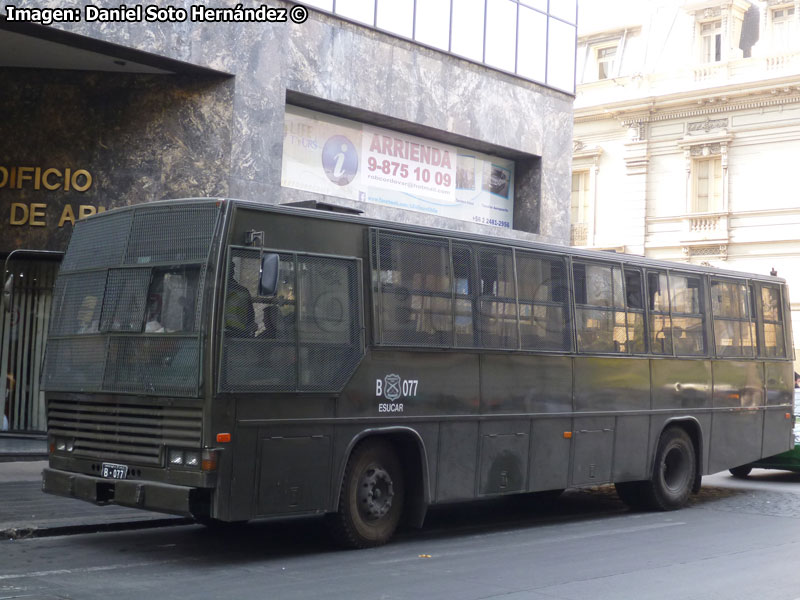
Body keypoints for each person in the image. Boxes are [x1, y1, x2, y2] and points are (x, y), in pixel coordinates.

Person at [225, 259, 256, 337]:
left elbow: (250, 317)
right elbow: (250, 317)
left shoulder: (241, 291)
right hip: (238, 335)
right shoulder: (242, 291)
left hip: (231, 334)